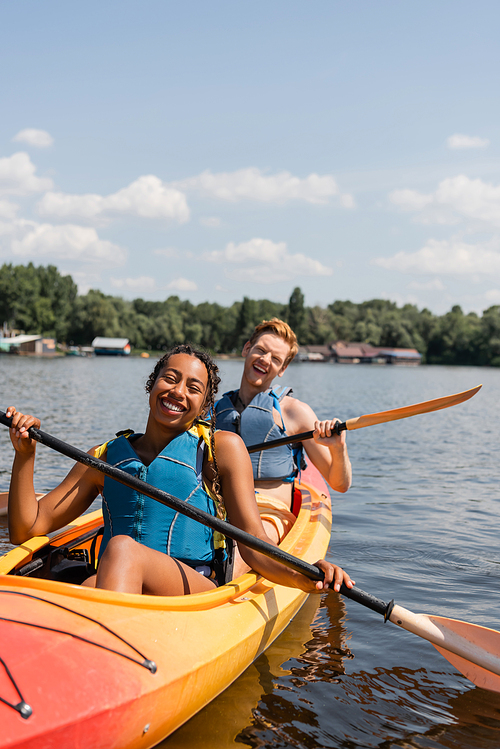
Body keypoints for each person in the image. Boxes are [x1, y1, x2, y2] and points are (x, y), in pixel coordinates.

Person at [6, 344, 354, 597]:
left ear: (204, 405)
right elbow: (26, 529)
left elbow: (253, 544)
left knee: (122, 550)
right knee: (89, 584)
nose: (177, 392)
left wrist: (306, 574)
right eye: (169, 379)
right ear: (151, 385)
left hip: (191, 588)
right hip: (117, 580)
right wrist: (25, 455)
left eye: (193, 388)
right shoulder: (105, 456)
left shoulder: (221, 448)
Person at [215, 319, 352, 558]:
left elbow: (339, 484)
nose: (265, 360)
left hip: (268, 512)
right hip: (218, 509)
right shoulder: (215, 411)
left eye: (276, 359)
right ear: (247, 349)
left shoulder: (295, 412)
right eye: (260, 350)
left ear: (282, 369)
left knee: (239, 551)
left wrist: (338, 448)